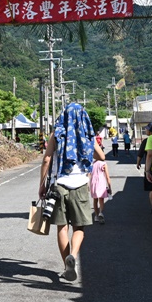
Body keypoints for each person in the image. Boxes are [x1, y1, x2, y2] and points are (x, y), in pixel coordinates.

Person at [39, 102, 106, 282]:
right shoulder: (86, 134)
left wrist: (41, 185)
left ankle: (66, 265)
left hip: (59, 184)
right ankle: (73, 256)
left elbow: (46, 160)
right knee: (79, 227)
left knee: (62, 227)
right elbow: (101, 156)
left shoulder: (57, 133)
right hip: (80, 184)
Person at [135, 124, 152, 215]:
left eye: (147, 129)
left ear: (150, 130)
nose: (145, 130)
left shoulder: (147, 141)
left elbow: (140, 154)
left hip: (150, 168)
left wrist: (138, 163)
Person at [89, 150, 113, 223]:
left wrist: (88, 184)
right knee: (101, 199)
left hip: (93, 182)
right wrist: (109, 187)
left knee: (95, 200)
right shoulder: (103, 164)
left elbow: (89, 174)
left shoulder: (92, 164)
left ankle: (96, 216)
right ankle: (101, 212)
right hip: (101, 182)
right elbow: (107, 177)